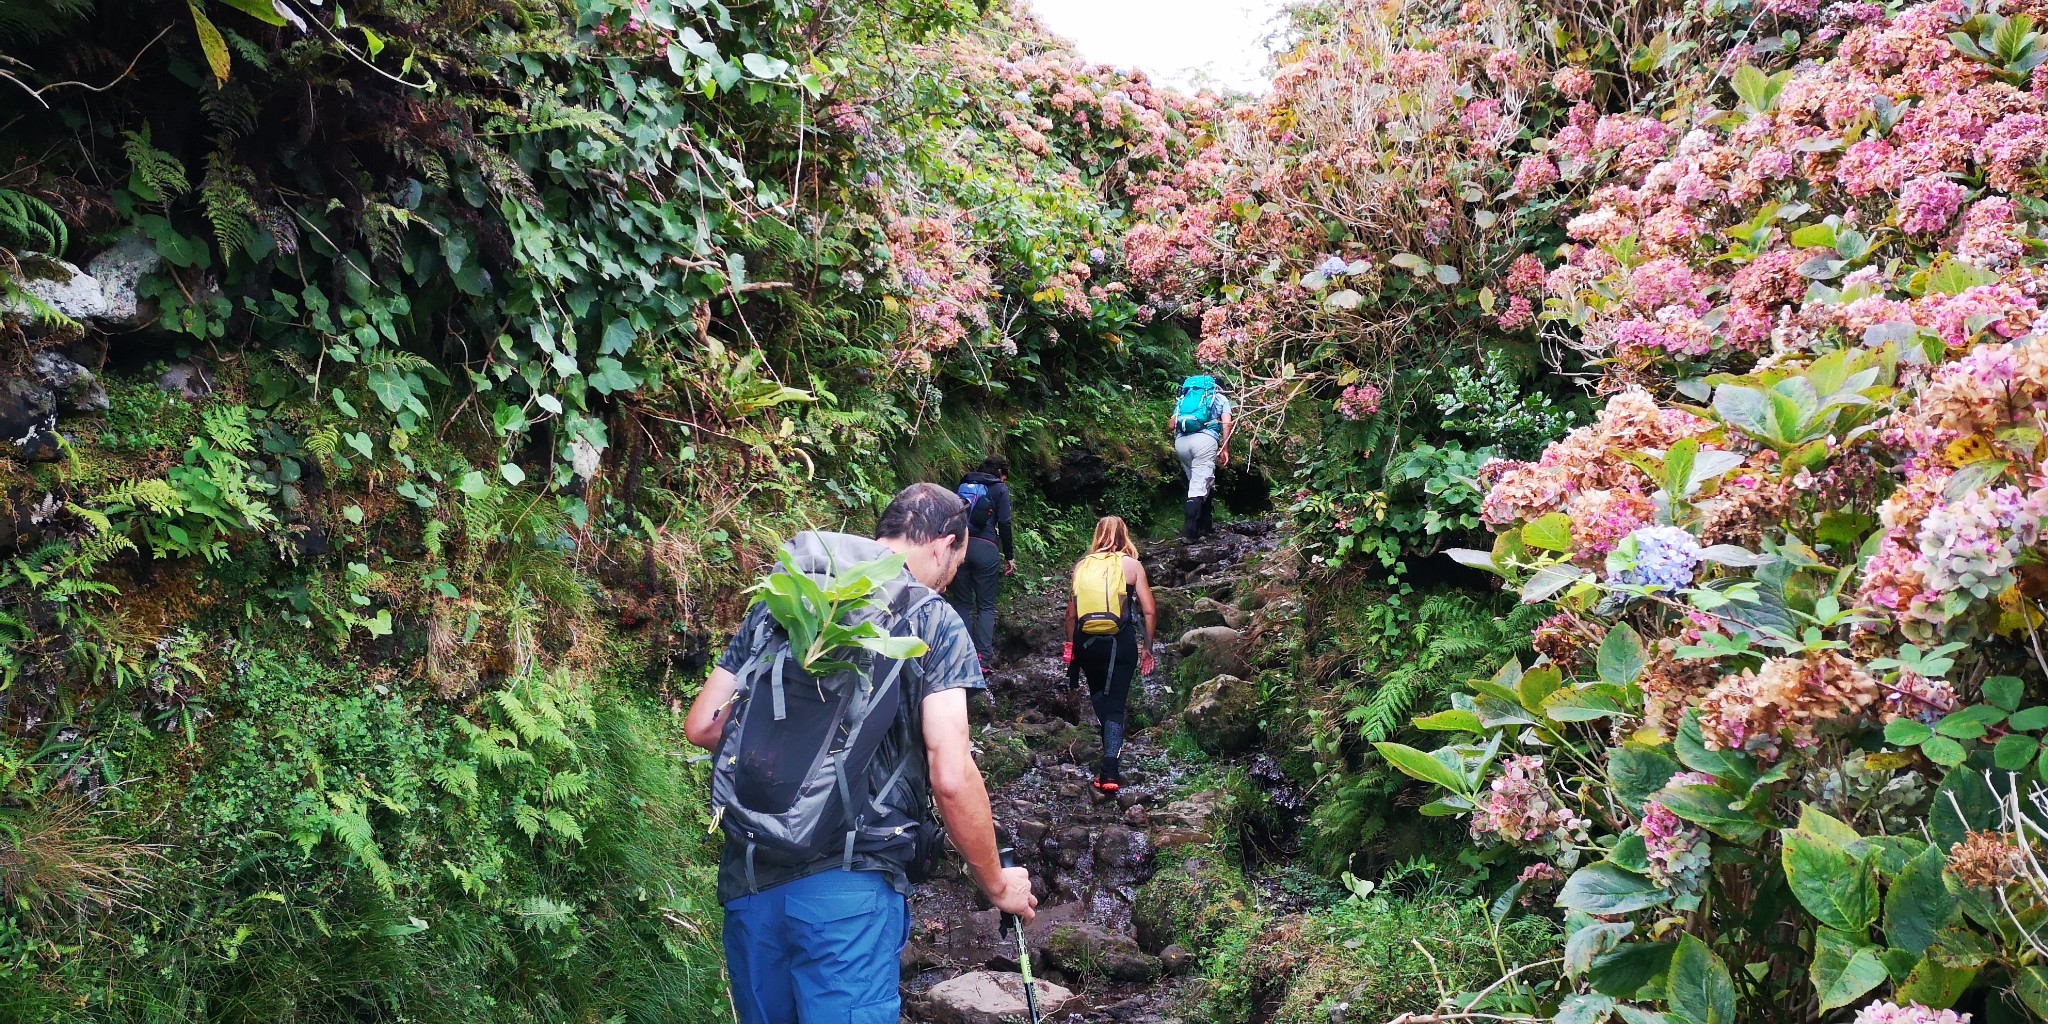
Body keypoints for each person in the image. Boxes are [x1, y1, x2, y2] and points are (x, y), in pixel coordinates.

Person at [685, 482, 1037, 1024]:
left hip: (750, 877)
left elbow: (703, 727)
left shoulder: (787, 600)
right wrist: (996, 884)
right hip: (849, 890)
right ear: (944, 544)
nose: (951, 578)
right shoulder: (932, 620)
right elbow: (951, 774)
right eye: (957, 563)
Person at [1062, 515, 1157, 793]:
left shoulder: (1082, 566)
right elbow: (1149, 611)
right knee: (1115, 704)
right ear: (1124, 535)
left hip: (1087, 643)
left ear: (1097, 535)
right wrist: (1147, 648)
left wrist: (1071, 646)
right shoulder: (1132, 565)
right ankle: (1110, 770)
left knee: (1099, 695)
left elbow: (1071, 615)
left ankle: (1109, 751)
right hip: (1121, 643)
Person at [948, 455, 1015, 668]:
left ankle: (962, 656)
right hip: (986, 548)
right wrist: (1009, 556)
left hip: (960, 546)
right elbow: (1005, 523)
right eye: (1004, 476)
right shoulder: (1000, 489)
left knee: (962, 603)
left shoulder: (964, 483)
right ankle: (983, 659)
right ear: (1000, 473)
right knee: (986, 605)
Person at [1170, 374, 1233, 541]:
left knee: (1199, 481)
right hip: (1204, 442)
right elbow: (1227, 423)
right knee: (1198, 486)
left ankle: (1205, 526)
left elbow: (1171, 424)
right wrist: (1225, 448)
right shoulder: (1220, 398)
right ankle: (1189, 533)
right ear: (1219, 388)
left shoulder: (1185, 398)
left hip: (1181, 443)